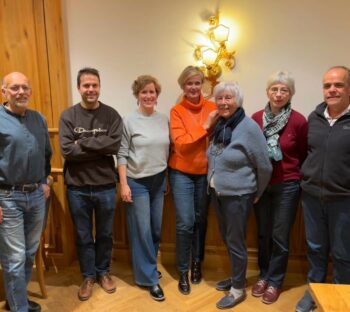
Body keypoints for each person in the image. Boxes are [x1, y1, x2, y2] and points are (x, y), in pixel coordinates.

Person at [59, 67, 123, 301]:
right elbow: (67, 150)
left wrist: (82, 143)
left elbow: (114, 146)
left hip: (106, 184)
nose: (90, 89)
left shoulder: (112, 115)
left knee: (105, 234)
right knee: (83, 235)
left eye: (94, 85)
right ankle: (88, 276)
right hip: (77, 187)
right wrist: (99, 145)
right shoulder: (68, 116)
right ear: (79, 88)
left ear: (99, 87)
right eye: (86, 85)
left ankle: (103, 272)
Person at [208, 81, 272, 309]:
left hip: (238, 195)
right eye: (220, 98)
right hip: (219, 193)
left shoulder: (248, 127)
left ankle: (237, 290)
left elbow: (264, 165)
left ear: (238, 101)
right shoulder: (221, 125)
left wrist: (257, 192)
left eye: (228, 98)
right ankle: (238, 278)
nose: (224, 103)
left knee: (235, 241)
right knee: (228, 238)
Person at [295, 66, 350, 312]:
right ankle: (314, 290)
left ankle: (340, 298)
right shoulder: (313, 118)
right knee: (315, 249)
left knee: (342, 253)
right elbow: (305, 153)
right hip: (312, 198)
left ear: (349, 88)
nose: (332, 90)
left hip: (344, 200)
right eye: (327, 85)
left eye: (338, 85)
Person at [250, 71, 308, 304]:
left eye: (284, 89)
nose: (278, 93)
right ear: (267, 92)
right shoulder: (255, 118)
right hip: (261, 185)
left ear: (291, 94)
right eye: (274, 88)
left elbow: (304, 153)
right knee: (263, 233)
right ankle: (264, 274)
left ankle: (275, 280)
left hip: (288, 185)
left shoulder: (299, 121)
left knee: (280, 236)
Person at [0, 72, 52, 312]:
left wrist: (45, 181)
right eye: (14, 88)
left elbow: (46, 154)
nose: (20, 92)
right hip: (7, 197)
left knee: (30, 252)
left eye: (24, 88)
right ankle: (19, 307)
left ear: (30, 92)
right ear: (4, 92)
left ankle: (16, 301)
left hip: (36, 196)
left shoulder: (38, 119)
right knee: (15, 257)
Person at [117, 75, 170, 301]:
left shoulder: (163, 119)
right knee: (142, 230)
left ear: (157, 95)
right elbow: (121, 154)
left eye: (152, 92)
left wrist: (166, 177)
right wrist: (124, 184)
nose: (148, 96)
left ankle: (146, 268)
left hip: (159, 180)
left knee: (156, 229)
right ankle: (150, 278)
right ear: (137, 95)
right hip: (136, 181)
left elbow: (166, 152)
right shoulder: (128, 120)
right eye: (144, 92)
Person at [168, 66, 219, 295]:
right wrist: (205, 127)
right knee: (185, 222)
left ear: (203, 85)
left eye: (197, 83)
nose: (193, 87)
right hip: (181, 172)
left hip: (206, 173)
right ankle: (182, 271)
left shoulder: (213, 107)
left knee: (201, 221)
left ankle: (197, 263)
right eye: (189, 83)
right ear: (182, 86)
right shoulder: (176, 111)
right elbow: (180, 143)